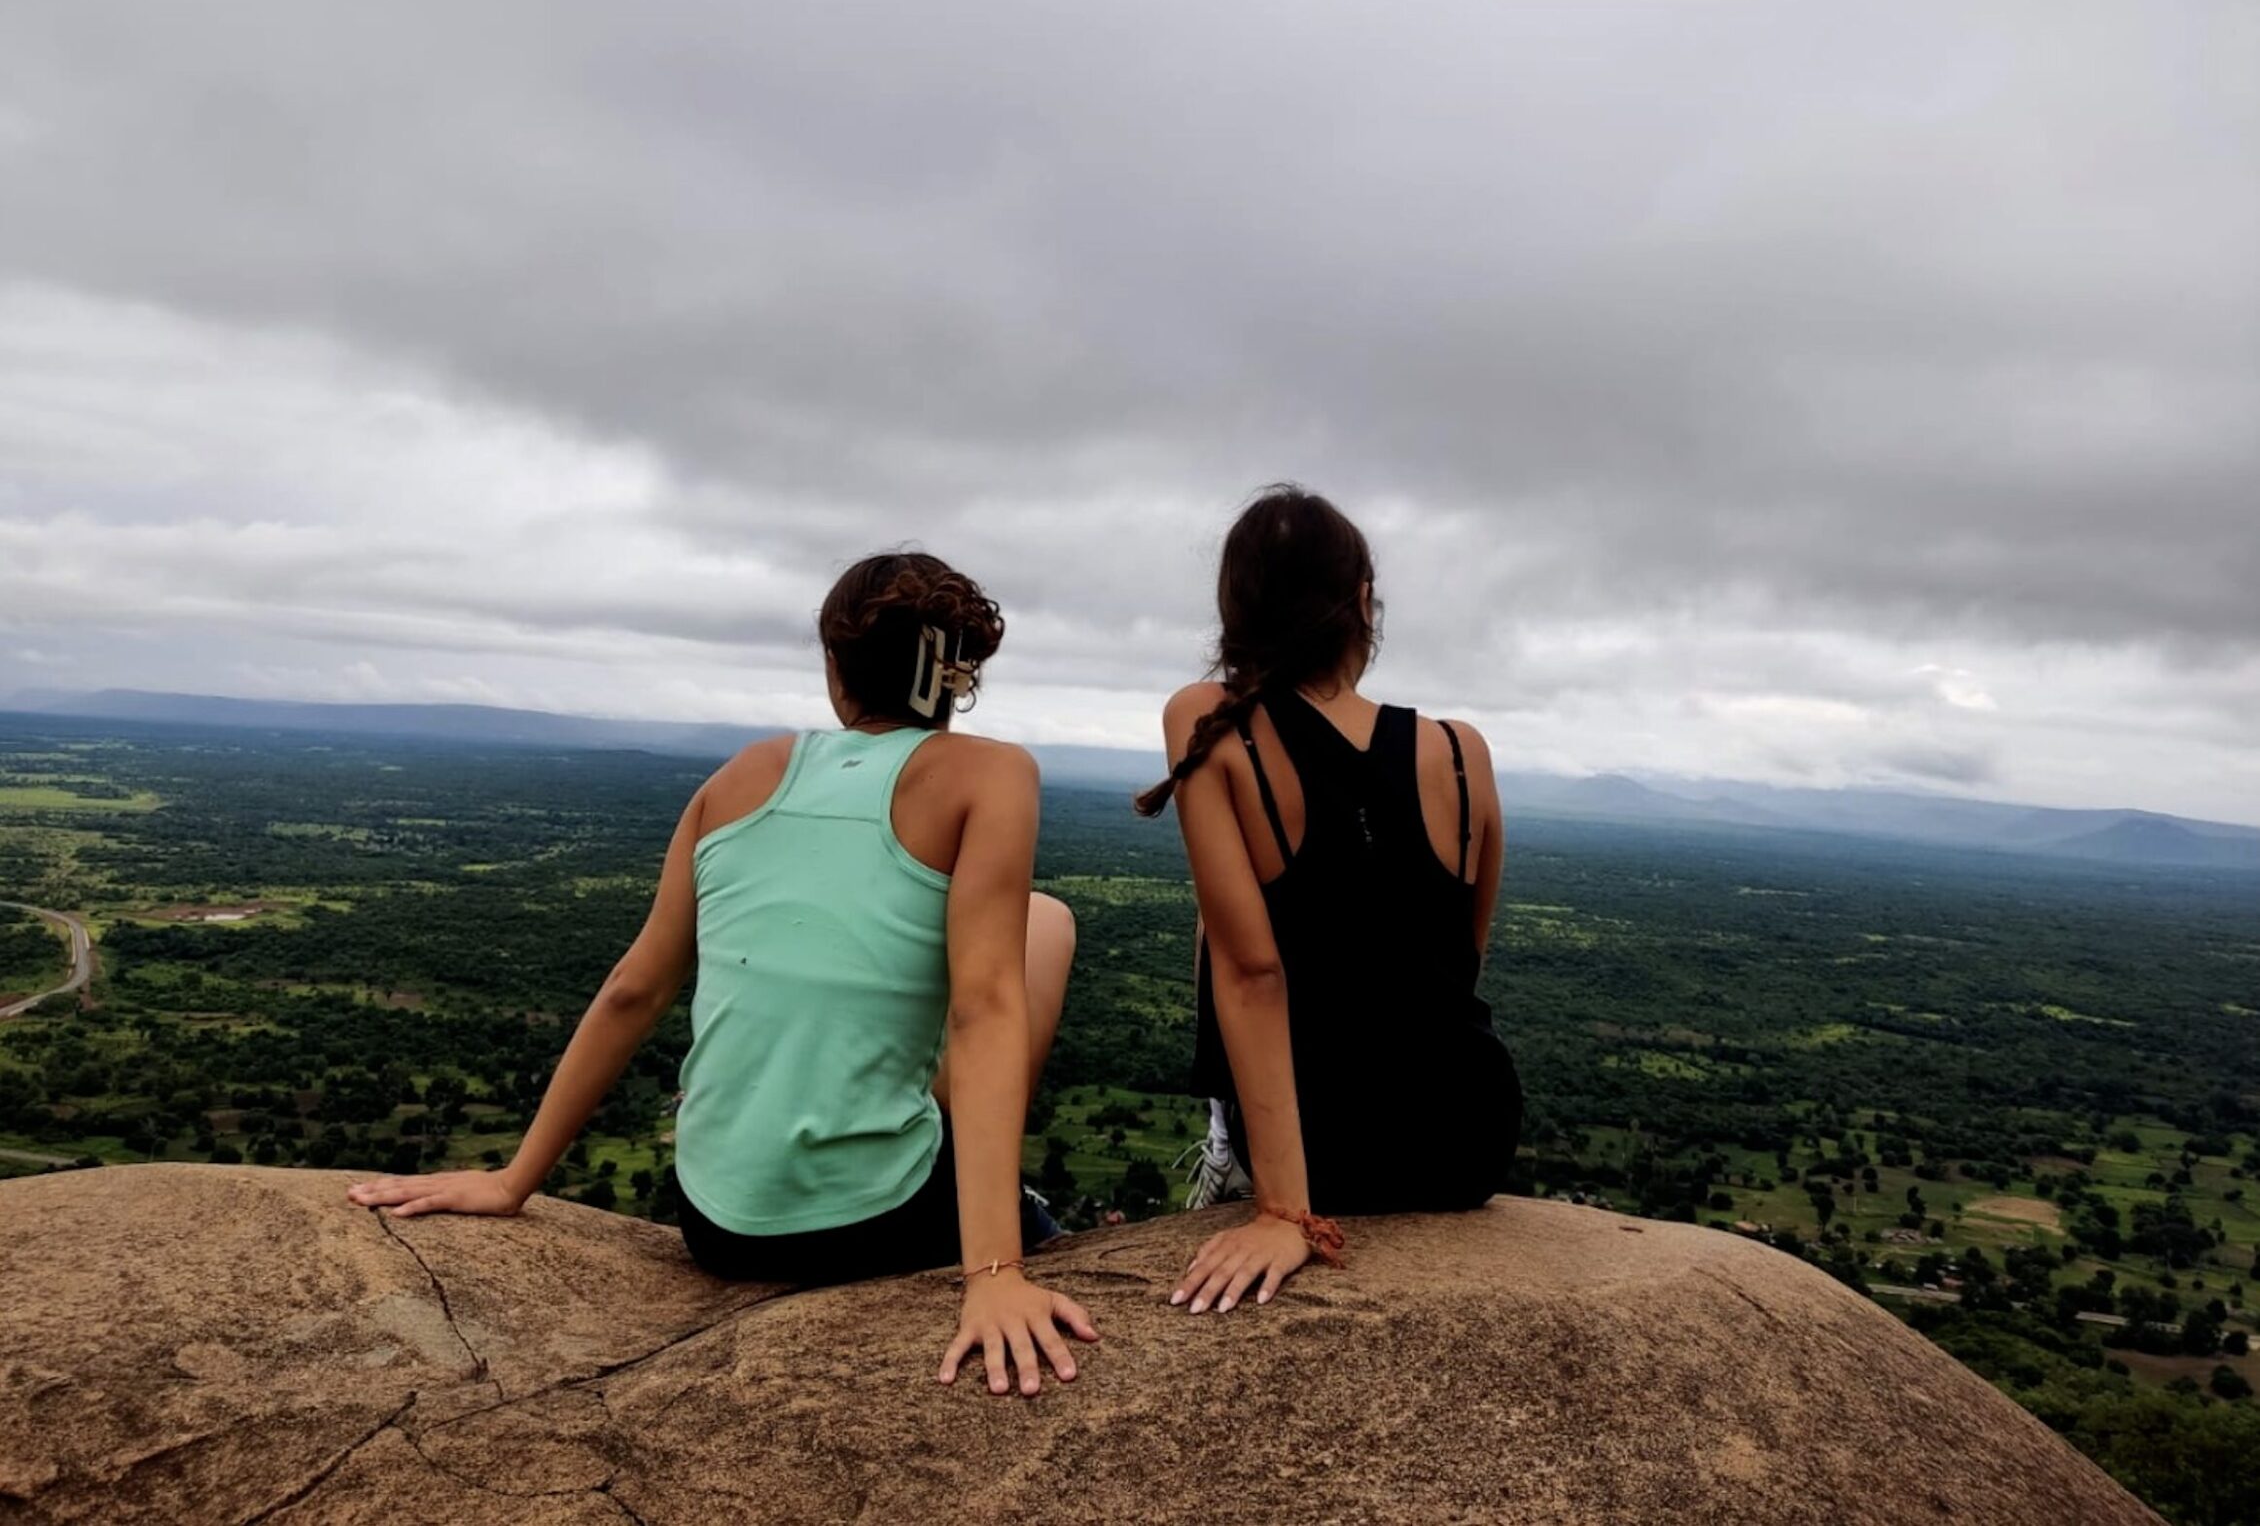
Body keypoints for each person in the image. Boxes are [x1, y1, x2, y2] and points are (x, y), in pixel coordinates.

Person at [348, 552, 1096, 1397]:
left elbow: (637, 985)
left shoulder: (740, 775)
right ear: (958, 679)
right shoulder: (995, 773)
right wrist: (992, 1270)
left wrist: (514, 1178)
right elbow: (986, 1006)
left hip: (714, 1222)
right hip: (873, 1224)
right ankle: (999, 1208)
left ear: (834, 668)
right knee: (1046, 921)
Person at [1136, 485, 1522, 1315]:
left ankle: (1229, 1155)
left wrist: (1287, 1213)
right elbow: (1457, 958)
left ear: (1236, 611)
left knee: (1222, 916)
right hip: (1470, 1135)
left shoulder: (1211, 720)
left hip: (1332, 1151)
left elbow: (1251, 971)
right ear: (1360, 603)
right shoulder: (1462, 749)